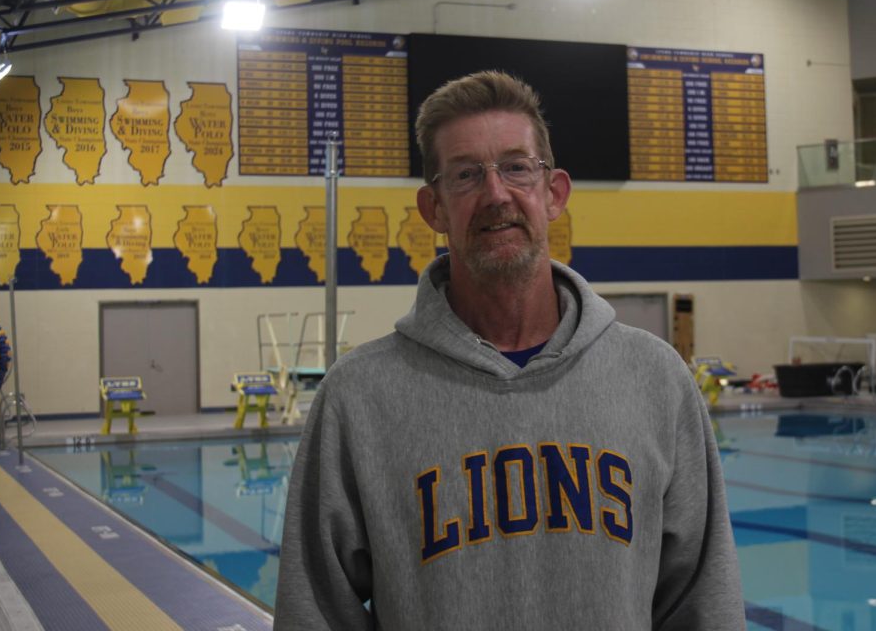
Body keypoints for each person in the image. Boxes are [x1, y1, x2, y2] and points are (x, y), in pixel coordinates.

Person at [274, 71, 746, 630]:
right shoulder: (357, 398)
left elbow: (703, 605)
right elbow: (315, 614)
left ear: (554, 194)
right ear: (435, 209)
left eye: (517, 168)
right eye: (467, 175)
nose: (496, 194)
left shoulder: (655, 378)